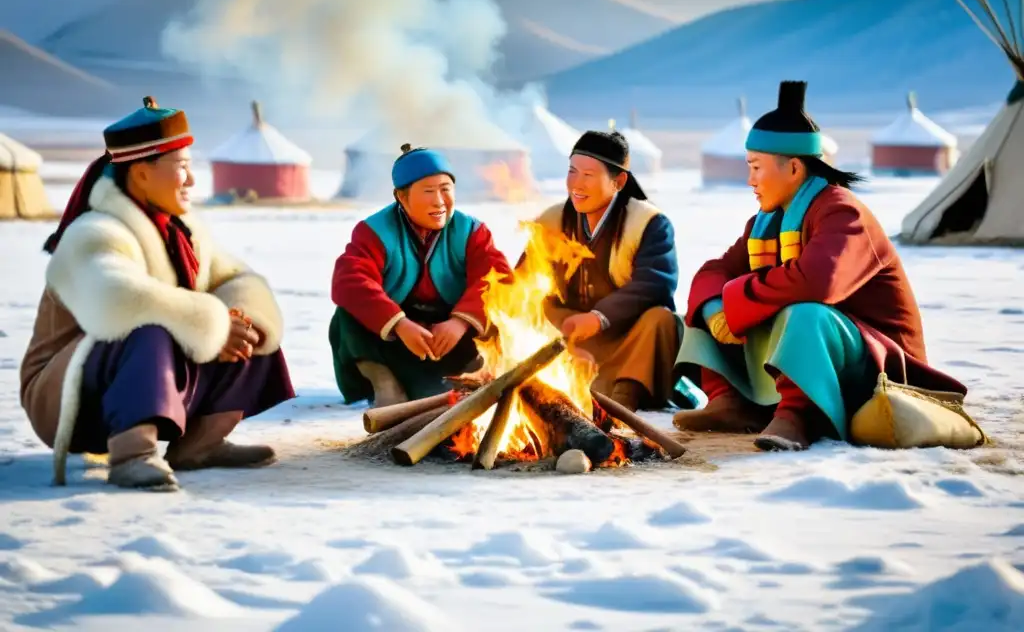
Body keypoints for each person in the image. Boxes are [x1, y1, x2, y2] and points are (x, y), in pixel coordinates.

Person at [673, 81, 967, 450]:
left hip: (879, 367)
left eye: (756, 167)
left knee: (805, 313)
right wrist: (718, 309)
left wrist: (737, 303)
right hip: (822, 357)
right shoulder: (766, 223)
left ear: (793, 167)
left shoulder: (842, 212)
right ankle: (730, 403)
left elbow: (818, 282)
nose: (750, 180)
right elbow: (713, 271)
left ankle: (797, 417)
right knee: (708, 304)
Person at [20, 97, 295, 491]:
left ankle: (200, 444)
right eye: (181, 167)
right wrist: (211, 328)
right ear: (141, 174)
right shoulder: (94, 232)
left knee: (249, 327)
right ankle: (133, 453)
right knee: (149, 327)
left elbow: (235, 276)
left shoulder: (182, 231)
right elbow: (116, 300)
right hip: (65, 392)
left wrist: (232, 320)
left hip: (138, 374)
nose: (192, 180)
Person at [329, 144, 511, 406]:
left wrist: (460, 322)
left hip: (448, 333)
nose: (439, 201)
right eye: (428, 191)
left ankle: (471, 379)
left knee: (499, 315)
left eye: (445, 189)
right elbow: (350, 281)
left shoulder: (471, 231)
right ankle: (383, 382)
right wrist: (399, 323)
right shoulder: (374, 231)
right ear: (401, 197)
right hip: (394, 337)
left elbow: (498, 277)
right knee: (348, 314)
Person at [530, 130, 680, 411]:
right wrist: (563, 322)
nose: (576, 184)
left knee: (660, 319)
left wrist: (599, 318)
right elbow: (524, 286)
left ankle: (624, 400)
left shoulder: (648, 223)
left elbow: (655, 284)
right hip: (571, 341)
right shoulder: (551, 222)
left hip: (627, 342)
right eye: (572, 172)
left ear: (619, 181)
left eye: (588, 175)